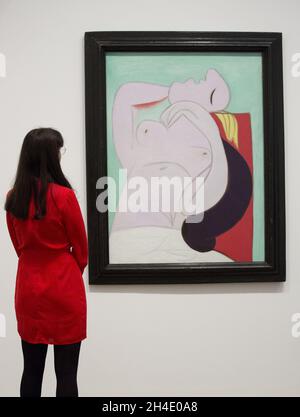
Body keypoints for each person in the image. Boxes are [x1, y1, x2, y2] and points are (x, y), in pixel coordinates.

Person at [4, 128, 88, 397]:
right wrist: (67, 268)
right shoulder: (64, 196)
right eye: (59, 151)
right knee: (66, 374)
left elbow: (19, 246)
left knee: (31, 370)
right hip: (64, 288)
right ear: (50, 156)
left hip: (29, 288)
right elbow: (82, 249)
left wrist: (35, 260)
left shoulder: (13, 197)